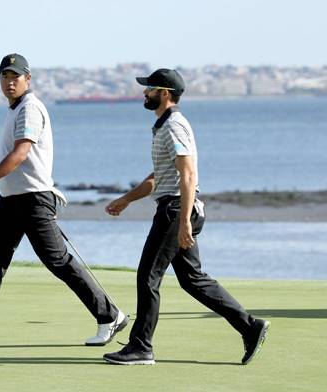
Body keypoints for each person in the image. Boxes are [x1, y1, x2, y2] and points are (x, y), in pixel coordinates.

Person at [0, 53, 127, 347]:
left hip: (34, 200)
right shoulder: (15, 109)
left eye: (16, 77)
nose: (10, 82)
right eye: (5, 77)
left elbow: (21, 153)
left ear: (28, 79)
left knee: (58, 261)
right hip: (11, 199)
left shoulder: (30, 108)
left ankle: (109, 316)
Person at [102, 69, 269, 365]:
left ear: (165, 93)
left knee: (148, 275)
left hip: (177, 210)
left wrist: (184, 222)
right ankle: (250, 326)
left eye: (150, 88)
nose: (145, 93)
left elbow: (188, 175)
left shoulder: (175, 126)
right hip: (177, 208)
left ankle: (141, 347)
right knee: (192, 279)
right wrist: (125, 200)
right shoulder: (163, 126)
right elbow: (159, 177)